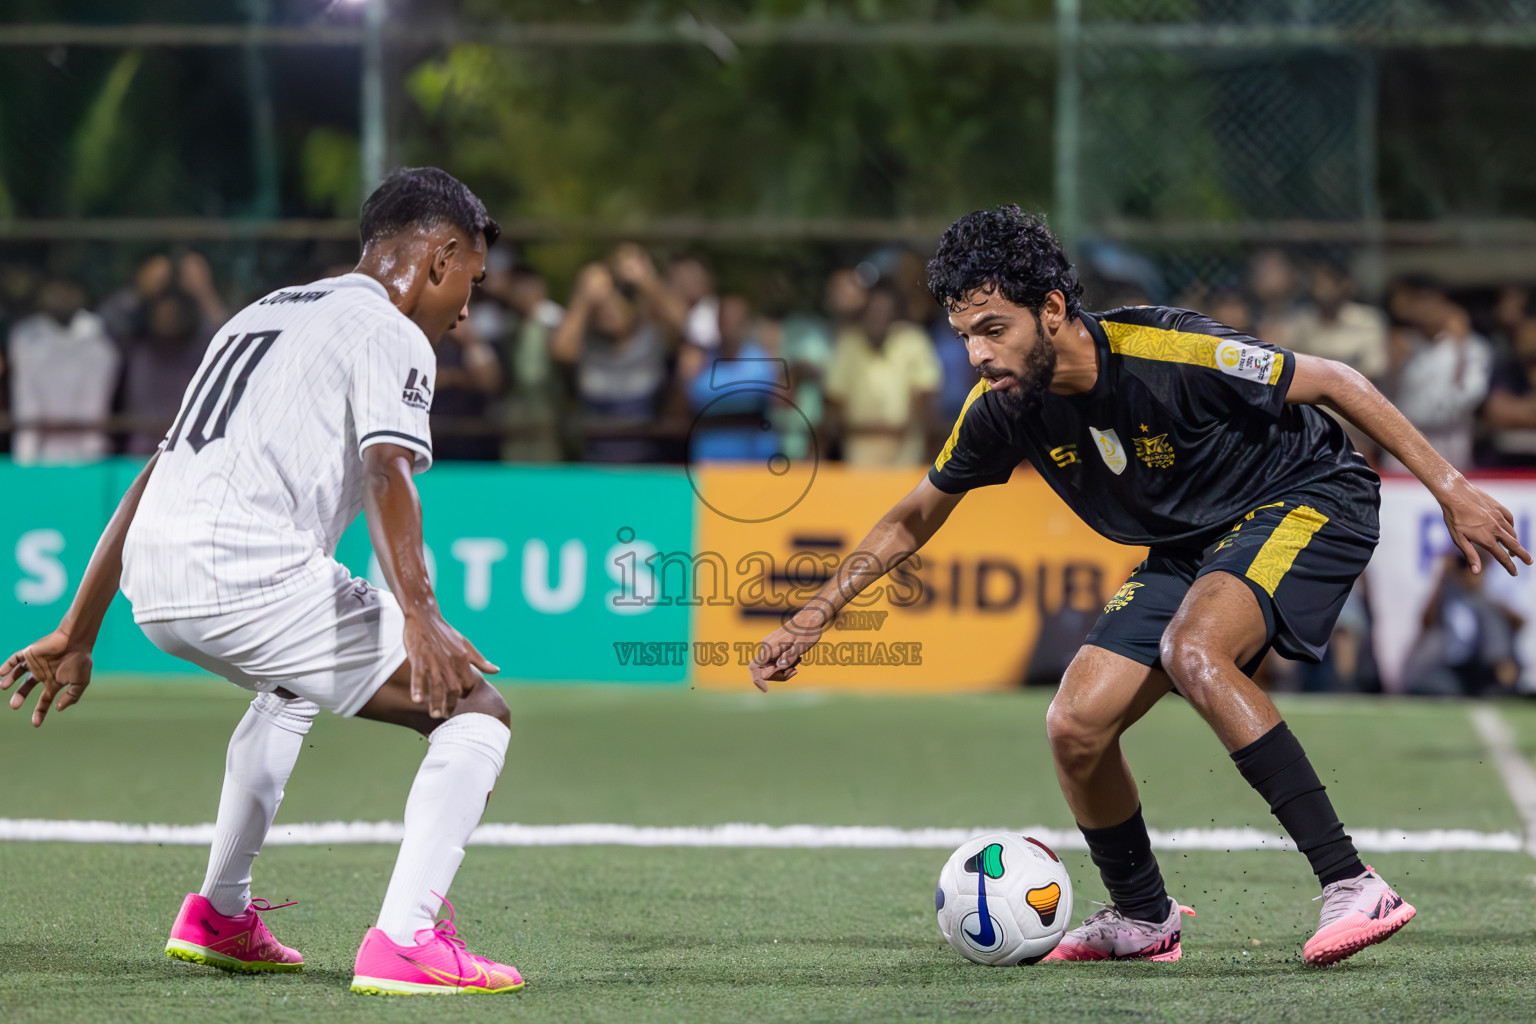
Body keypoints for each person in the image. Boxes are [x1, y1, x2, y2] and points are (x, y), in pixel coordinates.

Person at [749, 207, 1529, 966]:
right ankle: (1142, 915)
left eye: (994, 330)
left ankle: (1352, 883)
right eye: (964, 337)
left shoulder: (1167, 351)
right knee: (1075, 724)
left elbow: (1335, 379)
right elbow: (914, 516)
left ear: (1052, 309)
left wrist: (1451, 489)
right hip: (1190, 540)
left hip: (1307, 493)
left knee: (1195, 650)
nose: (978, 355)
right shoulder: (1002, 411)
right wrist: (815, 615)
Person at [1, 167, 525, 997]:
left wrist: (80, 627)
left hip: (158, 578)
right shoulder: (391, 333)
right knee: (475, 713)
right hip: (246, 568)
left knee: (289, 689)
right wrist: (422, 618)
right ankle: (406, 941)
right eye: (472, 279)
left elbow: (156, 469)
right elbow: (388, 468)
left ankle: (218, 914)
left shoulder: (265, 312)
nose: (466, 307)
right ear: (441, 255)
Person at [823, 281, 942, 466]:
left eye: (883, 314)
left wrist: (930, 449)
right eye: (872, 313)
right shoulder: (848, 343)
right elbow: (834, 401)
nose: (877, 319)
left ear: (893, 317)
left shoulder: (912, 341)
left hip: (905, 449)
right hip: (858, 449)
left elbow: (926, 396)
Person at [7, 276, 119, 464]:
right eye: (56, 291)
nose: (62, 298)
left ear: (81, 295)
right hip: (36, 453)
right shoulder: (25, 337)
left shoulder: (100, 343)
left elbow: (94, 407)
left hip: (86, 457)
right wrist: (25, 461)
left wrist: (88, 462)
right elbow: (27, 401)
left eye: (68, 291)